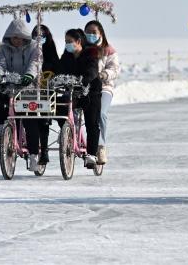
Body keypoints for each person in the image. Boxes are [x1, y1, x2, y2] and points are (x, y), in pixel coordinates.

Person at [0, 18, 42, 170]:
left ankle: (33, 156)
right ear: (9, 37)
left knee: (29, 119)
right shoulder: (5, 49)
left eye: (19, 37)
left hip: (29, 86)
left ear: (25, 36)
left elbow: (35, 63)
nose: (17, 40)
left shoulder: (34, 47)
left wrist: (29, 76)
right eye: (14, 37)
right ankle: (2, 124)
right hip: (11, 83)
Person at [58, 29, 103, 168]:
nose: (67, 45)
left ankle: (91, 154)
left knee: (91, 121)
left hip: (90, 91)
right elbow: (60, 70)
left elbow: (92, 71)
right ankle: (67, 133)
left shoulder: (91, 53)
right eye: (65, 42)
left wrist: (83, 81)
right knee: (58, 109)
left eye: (69, 41)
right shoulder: (66, 56)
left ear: (78, 41)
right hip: (71, 91)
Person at [83, 20, 120, 164]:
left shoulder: (108, 49)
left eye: (94, 32)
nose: (90, 35)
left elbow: (115, 69)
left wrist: (104, 74)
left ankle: (100, 146)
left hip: (104, 87)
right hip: (86, 86)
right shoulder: (80, 48)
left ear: (101, 34)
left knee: (100, 113)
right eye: (88, 32)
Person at [27, 24, 60, 165]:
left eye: (43, 36)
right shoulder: (30, 51)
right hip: (31, 90)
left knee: (43, 122)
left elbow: (57, 69)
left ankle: (44, 150)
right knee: (30, 119)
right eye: (36, 36)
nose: (39, 39)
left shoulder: (51, 51)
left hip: (47, 90)